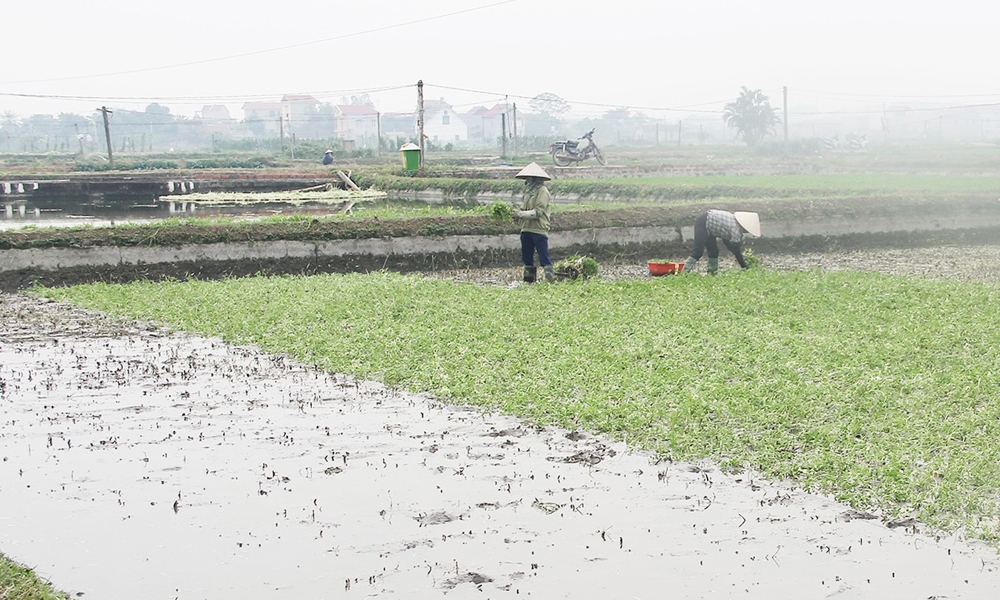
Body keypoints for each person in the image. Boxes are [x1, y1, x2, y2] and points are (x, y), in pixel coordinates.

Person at [512, 162, 554, 283]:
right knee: (527, 258)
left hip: (538, 229)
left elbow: (537, 212)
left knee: (544, 257)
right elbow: (524, 209)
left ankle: (550, 279)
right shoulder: (528, 192)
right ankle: (529, 281)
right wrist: (517, 213)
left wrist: (520, 214)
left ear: (535, 179)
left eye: (529, 179)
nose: (527, 181)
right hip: (526, 229)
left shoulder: (543, 191)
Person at [682, 210, 761, 274]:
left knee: (714, 251)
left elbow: (726, 241)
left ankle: (712, 273)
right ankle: (683, 273)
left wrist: (733, 248)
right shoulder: (736, 230)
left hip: (712, 228)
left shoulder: (732, 221)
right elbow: (736, 251)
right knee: (698, 252)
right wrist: (744, 266)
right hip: (704, 222)